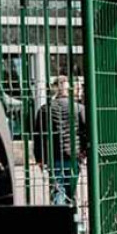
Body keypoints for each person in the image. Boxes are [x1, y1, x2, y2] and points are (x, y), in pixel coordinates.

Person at [33, 75, 88, 206]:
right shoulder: (79, 108)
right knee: (71, 191)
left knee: (58, 191)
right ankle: (72, 221)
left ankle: (60, 221)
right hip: (73, 155)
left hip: (53, 156)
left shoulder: (44, 110)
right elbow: (86, 131)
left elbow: (38, 136)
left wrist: (39, 158)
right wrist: (84, 151)